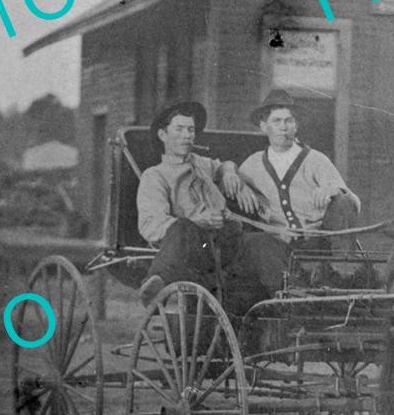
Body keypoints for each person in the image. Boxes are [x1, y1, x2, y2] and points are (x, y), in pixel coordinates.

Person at [136, 102, 261, 310]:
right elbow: (152, 225)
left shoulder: (200, 163)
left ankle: (300, 295)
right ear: (163, 135)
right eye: (180, 129)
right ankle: (157, 284)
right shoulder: (155, 176)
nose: (187, 135)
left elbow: (222, 165)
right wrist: (198, 222)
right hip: (194, 250)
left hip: (227, 243)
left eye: (191, 130)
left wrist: (229, 172)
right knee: (183, 227)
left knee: (263, 242)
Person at [234, 89, 361, 288]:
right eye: (277, 121)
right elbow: (231, 184)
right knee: (254, 241)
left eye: (289, 121)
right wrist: (231, 176)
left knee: (344, 202)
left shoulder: (315, 160)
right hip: (278, 246)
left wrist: (332, 189)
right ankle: (293, 293)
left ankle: (343, 280)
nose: (283, 127)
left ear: (296, 126)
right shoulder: (252, 165)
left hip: (318, 242)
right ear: (263, 126)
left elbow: (353, 202)